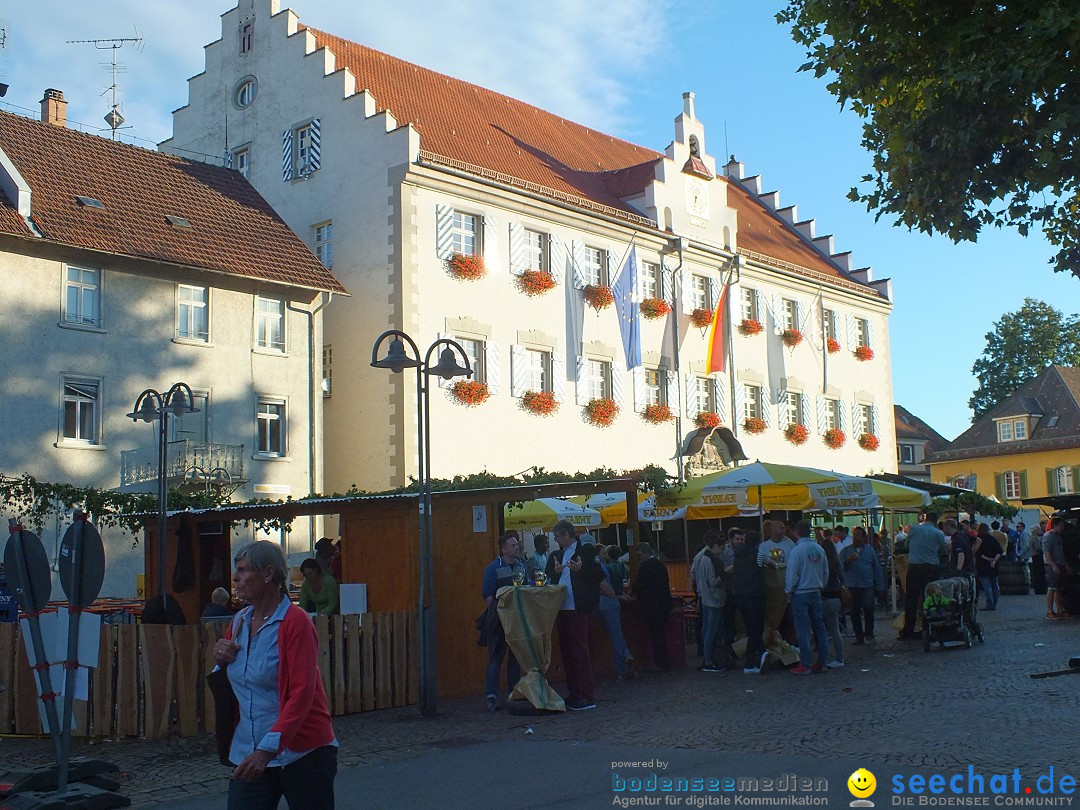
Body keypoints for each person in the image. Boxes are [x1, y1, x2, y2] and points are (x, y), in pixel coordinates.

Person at [213, 541, 337, 810]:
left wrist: (269, 749)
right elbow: (234, 681)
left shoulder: (295, 621)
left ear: (268, 574)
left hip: (303, 752)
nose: (236, 577)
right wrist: (221, 659)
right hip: (250, 749)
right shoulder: (239, 622)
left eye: (243, 570)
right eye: (236, 570)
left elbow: (302, 692)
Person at [545, 521, 612, 710]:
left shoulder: (586, 551)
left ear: (566, 535)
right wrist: (556, 572)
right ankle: (573, 692)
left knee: (579, 651)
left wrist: (582, 569)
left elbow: (598, 575)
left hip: (578, 607)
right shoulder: (557, 554)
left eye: (557, 536)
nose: (557, 540)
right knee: (567, 651)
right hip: (562, 607)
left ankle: (586, 694)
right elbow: (549, 573)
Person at [480, 532, 529, 710]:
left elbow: (528, 587)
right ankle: (491, 696)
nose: (517, 547)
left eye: (517, 545)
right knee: (496, 657)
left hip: (517, 618)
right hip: (500, 620)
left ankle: (514, 692)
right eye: (513, 545)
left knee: (516, 657)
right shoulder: (493, 568)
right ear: (504, 549)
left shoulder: (521, 566)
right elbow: (487, 594)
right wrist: (498, 613)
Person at [784, 519, 829, 675]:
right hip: (816, 591)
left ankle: (806, 664)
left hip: (800, 593)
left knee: (803, 629)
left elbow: (792, 574)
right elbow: (825, 572)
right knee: (820, 628)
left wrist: (788, 590)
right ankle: (823, 662)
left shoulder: (796, 551)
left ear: (796, 533)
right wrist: (820, 585)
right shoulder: (819, 549)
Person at [899, 511, 948, 640]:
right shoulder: (939, 533)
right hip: (931, 569)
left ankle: (908, 631)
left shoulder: (914, 529)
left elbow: (906, 545)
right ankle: (929, 629)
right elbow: (942, 550)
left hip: (914, 568)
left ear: (926, 518)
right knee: (930, 599)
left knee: (911, 600)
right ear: (936, 521)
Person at [729, 528, 767, 674]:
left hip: (740, 596)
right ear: (757, 542)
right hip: (755, 596)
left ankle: (763, 652)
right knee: (755, 629)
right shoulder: (757, 554)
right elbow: (768, 564)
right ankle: (750, 663)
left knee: (751, 628)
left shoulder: (737, 555)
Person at [595, 545, 634, 680]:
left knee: (614, 634)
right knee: (616, 633)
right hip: (613, 600)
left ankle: (622, 666)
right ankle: (626, 657)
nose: (605, 554)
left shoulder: (601, 567)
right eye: (603, 552)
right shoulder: (617, 566)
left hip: (602, 600)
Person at [632, 543, 673, 673]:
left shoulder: (647, 567)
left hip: (652, 606)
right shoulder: (660, 565)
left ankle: (660, 661)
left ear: (645, 553)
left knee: (656, 635)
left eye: (639, 555)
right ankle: (663, 661)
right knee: (660, 634)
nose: (638, 559)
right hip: (663, 604)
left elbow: (639, 585)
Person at [692, 530, 727, 673]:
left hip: (706, 599)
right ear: (716, 546)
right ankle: (708, 661)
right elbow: (712, 582)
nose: (723, 551)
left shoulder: (703, 558)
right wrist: (725, 575)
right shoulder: (708, 560)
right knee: (710, 631)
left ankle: (708, 659)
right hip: (713, 599)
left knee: (707, 629)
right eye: (722, 547)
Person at [842, 527, 884, 645]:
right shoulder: (846, 551)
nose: (856, 537)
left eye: (859, 535)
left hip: (867, 585)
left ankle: (869, 633)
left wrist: (880, 586)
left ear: (863, 537)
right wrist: (848, 561)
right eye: (854, 535)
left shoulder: (870, 551)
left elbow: (876, 568)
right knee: (854, 611)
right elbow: (840, 568)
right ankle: (858, 635)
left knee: (869, 609)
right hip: (852, 585)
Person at [817, 534, 845, 669]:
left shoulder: (822, 562)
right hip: (836, 599)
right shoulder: (836, 562)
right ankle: (839, 658)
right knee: (835, 630)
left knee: (820, 629)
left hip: (824, 597)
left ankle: (823, 657)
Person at [1043, 517, 1072, 619]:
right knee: (1052, 588)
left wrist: (1065, 565)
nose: (1062, 528)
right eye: (1061, 526)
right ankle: (1050, 611)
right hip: (1052, 566)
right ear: (1055, 525)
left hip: (1060, 564)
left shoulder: (1058, 537)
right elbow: (1047, 552)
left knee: (1058, 588)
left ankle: (1060, 610)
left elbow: (1060, 553)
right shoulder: (1048, 536)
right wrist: (1053, 565)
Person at [975, 523, 1003, 611]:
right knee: (994, 584)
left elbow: (978, 553)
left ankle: (990, 603)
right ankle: (994, 603)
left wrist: (988, 559)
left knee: (986, 585)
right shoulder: (993, 539)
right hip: (994, 565)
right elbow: (1000, 551)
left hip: (982, 564)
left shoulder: (979, 540)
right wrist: (994, 560)